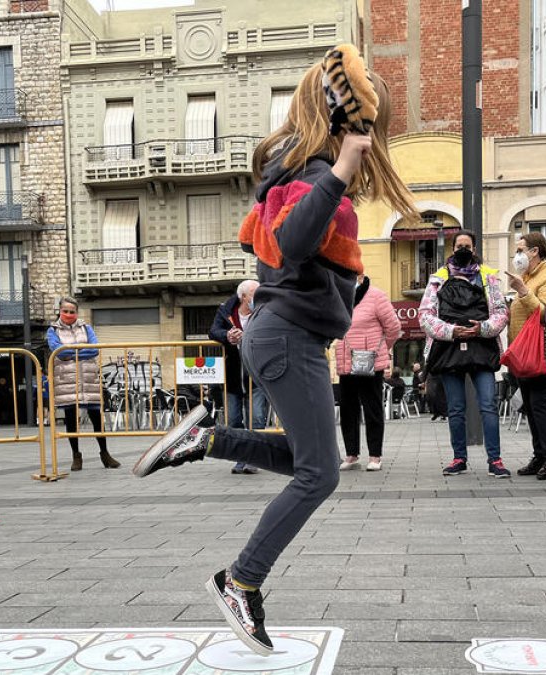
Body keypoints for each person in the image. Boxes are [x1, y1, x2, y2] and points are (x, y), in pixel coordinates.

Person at [131, 44, 418, 655]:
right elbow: (290, 241)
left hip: (281, 332)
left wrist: (272, 283)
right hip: (288, 338)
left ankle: (206, 440)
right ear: (347, 121)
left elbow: (275, 253)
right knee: (320, 474)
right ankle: (241, 581)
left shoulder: (289, 167)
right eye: (375, 124)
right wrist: (341, 167)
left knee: (310, 461)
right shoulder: (317, 171)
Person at [419, 231, 510, 478]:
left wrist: (482, 329)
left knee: (488, 405)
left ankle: (496, 460)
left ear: (475, 248)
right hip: (450, 349)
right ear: (452, 247)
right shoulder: (437, 279)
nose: (463, 249)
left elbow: (501, 312)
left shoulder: (489, 278)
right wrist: (451, 331)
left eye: (467, 246)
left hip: (481, 347)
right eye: (459, 245)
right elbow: (425, 316)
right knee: (456, 408)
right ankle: (459, 458)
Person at [505, 231, 546, 480]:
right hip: (524, 352)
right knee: (531, 406)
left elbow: (545, 313)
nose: (517, 255)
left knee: (541, 404)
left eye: (521, 250)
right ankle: (540, 455)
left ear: (535, 251)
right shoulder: (528, 276)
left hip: (543, 349)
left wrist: (522, 291)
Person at [334, 274, 400, 472]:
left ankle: (375, 456)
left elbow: (394, 327)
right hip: (346, 362)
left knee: (372, 408)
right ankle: (351, 455)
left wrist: (380, 350)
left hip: (368, 361)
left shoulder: (376, 296)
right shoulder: (338, 297)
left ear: (360, 276)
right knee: (347, 410)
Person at [48, 297, 120, 471]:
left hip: (89, 378)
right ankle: (76, 456)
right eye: (65, 311)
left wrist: (70, 353)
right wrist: (80, 352)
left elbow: (94, 349)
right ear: (60, 311)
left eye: (72, 311)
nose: (69, 314)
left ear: (77, 313)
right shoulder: (53, 330)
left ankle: (105, 453)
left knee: (97, 417)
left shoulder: (86, 328)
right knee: (71, 418)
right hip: (67, 380)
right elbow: (58, 352)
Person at [208, 279, 268, 475]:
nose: (258, 298)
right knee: (234, 421)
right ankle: (241, 459)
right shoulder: (226, 310)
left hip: (257, 376)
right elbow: (213, 331)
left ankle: (254, 459)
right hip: (233, 377)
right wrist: (227, 335)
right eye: (254, 294)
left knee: (257, 418)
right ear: (243, 297)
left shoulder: (264, 310)